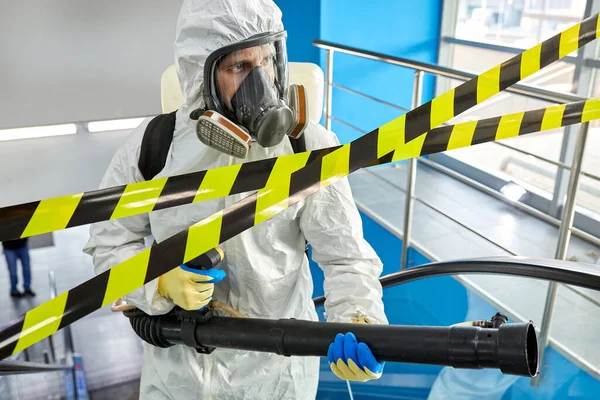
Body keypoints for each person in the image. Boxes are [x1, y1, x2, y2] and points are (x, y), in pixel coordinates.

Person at [83, 0, 387, 398]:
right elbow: (107, 242)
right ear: (200, 76)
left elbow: (345, 255)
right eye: (239, 68)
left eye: (266, 60)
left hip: (276, 373)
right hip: (179, 376)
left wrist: (359, 320)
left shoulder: (305, 148)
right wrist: (157, 283)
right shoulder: (153, 147)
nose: (259, 82)